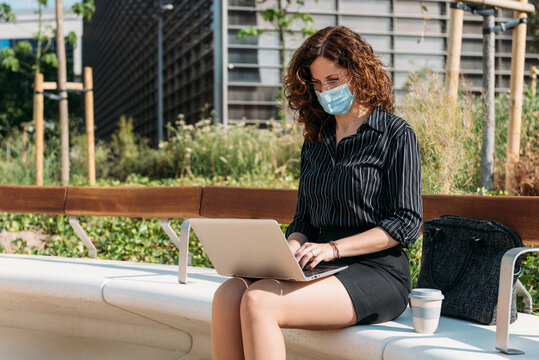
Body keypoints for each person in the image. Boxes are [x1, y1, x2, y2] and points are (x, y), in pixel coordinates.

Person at [211, 25, 422, 360]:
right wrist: (289, 250)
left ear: (359, 74)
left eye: (334, 80)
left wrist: (333, 248)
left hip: (377, 272)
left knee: (259, 301)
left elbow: (406, 223)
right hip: (320, 263)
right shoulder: (316, 140)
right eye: (317, 83)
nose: (325, 90)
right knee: (228, 294)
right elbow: (303, 220)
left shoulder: (395, 135)